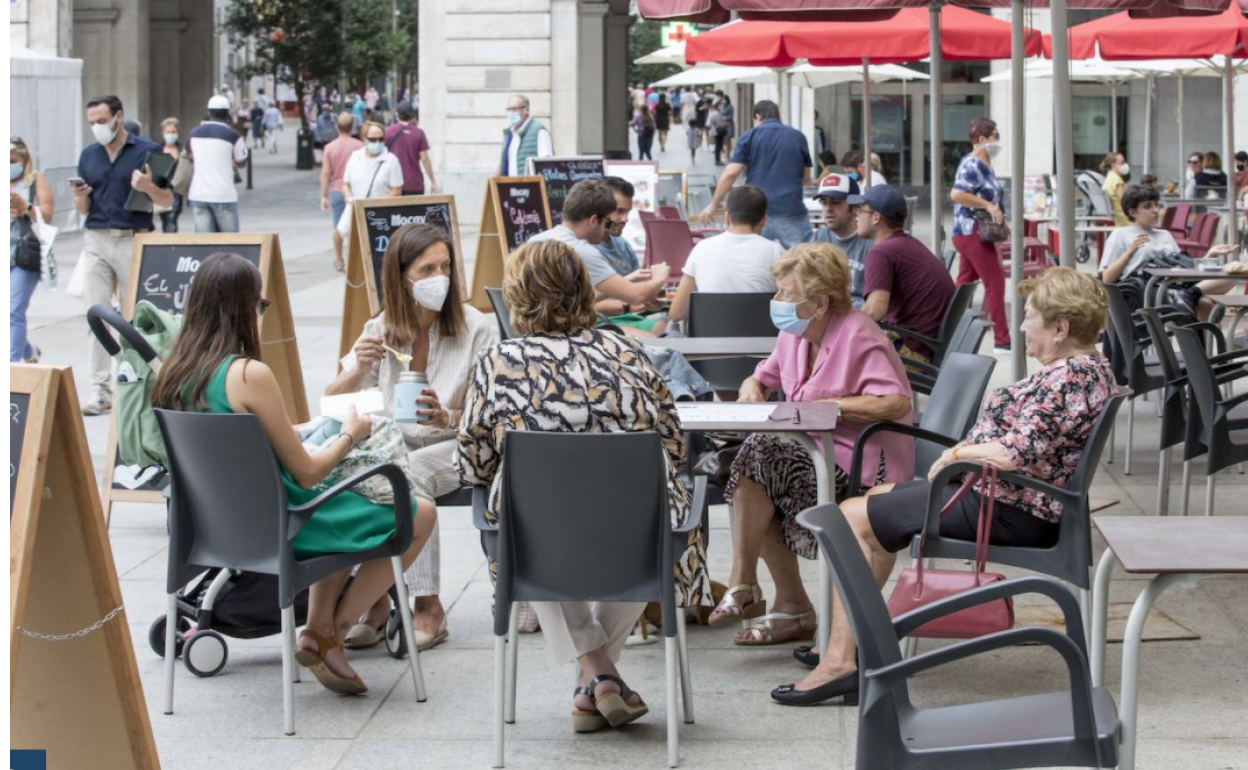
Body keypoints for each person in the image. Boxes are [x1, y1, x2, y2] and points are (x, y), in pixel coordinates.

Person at [776, 268, 1116, 706]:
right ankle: (851, 646)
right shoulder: (1087, 369)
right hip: (1009, 498)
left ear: (1060, 328)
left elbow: (1016, 452)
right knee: (872, 505)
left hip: (1009, 507)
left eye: (1030, 316)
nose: (1022, 326)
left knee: (849, 520)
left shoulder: (1070, 377)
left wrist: (954, 457)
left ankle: (842, 661)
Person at [151, 253, 437, 695]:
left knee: (343, 503)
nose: (261, 314)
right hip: (282, 526)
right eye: (260, 305)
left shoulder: (173, 375)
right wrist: (351, 435)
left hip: (212, 530)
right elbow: (305, 474)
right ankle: (332, 634)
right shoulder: (248, 374)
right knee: (417, 513)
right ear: (242, 307)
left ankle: (318, 629)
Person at [457, 238, 711, 733]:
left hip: (541, 544)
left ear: (517, 296)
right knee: (655, 509)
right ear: (583, 293)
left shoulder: (498, 363)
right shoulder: (631, 351)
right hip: (640, 540)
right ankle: (602, 677)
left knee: (523, 515)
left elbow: (472, 463)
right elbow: (676, 445)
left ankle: (594, 675)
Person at [709, 242, 915, 646]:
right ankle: (785, 605)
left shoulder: (857, 332)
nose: (779, 301)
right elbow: (762, 376)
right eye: (779, 292)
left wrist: (833, 405)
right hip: (812, 456)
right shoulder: (795, 333)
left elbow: (894, 402)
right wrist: (751, 389)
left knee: (757, 461)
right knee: (752, 468)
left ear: (820, 303)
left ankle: (753, 588)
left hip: (860, 463)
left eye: (788, 294)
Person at [328, 224, 493, 652]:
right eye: (426, 269)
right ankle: (378, 604)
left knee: (410, 473)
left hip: (459, 443)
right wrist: (354, 369)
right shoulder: (380, 328)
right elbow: (331, 400)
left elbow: (491, 416)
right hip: (396, 442)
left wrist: (446, 415)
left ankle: (426, 606)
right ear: (401, 277)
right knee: (351, 470)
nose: (440, 276)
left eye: (446, 266)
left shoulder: (477, 328)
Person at [74, 95, 172, 416]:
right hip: (97, 237)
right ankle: (99, 389)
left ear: (119, 117)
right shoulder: (88, 155)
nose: (96, 128)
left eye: (101, 121)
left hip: (133, 238)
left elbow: (167, 200)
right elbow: (83, 209)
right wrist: (79, 198)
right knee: (96, 315)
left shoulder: (147, 151)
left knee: (136, 318)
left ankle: (142, 384)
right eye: (91, 122)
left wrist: (146, 186)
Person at [530, 180, 670, 332]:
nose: (606, 229)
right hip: (570, 337)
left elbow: (571, 302)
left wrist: (623, 281)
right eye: (606, 223)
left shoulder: (534, 242)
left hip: (535, 334)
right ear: (594, 220)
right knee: (664, 346)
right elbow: (637, 295)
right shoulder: (581, 250)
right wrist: (660, 277)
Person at [1098, 184, 1240, 320]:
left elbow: (1181, 267)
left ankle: (1189, 296)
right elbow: (1107, 279)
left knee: (1235, 270)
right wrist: (1129, 253)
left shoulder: (1165, 234)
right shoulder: (1120, 235)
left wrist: (1210, 254)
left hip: (1177, 284)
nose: (1155, 210)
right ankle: (1188, 298)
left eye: (1156, 205)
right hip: (1146, 292)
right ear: (1132, 212)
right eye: (1148, 206)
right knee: (1205, 303)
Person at [860, 185, 958, 368]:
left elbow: (874, 311)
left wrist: (839, 325)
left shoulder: (882, 252)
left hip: (914, 351)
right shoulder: (907, 243)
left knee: (839, 361)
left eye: (861, 210)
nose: (856, 215)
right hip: (931, 345)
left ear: (875, 217)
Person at [700, 101, 814, 249]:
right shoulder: (798, 137)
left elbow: (731, 173)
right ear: (779, 116)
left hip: (756, 213)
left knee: (752, 260)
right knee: (802, 261)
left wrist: (713, 204)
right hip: (790, 209)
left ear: (758, 117)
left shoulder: (749, 136)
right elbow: (806, 177)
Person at [668, 185, 784, 326]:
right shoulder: (776, 252)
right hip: (763, 344)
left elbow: (676, 313)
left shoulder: (701, 249)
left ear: (727, 218)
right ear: (764, 220)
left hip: (708, 344)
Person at [950, 117, 1012, 353]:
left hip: (971, 232)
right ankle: (1002, 340)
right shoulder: (973, 163)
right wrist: (988, 206)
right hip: (972, 231)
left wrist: (1000, 215)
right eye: (995, 135)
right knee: (994, 283)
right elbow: (957, 194)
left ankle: (950, 328)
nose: (998, 140)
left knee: (964, 283)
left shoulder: (982, 164)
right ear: (982, 139)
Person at [10, 137, 53, 364]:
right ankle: (28, 351)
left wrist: (24, 207)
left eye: (13, 160)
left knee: (13, 311)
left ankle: (13, 366)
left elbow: (47, 214)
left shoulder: (35, 181)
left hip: (24, 256)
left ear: (24, 160)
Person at [807, 174, 872, 309]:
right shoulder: (819, 238)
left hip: (860, 317)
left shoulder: (871, 242)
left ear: (854, 206)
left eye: (836, 201)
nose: (828, 208)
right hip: (826, 313)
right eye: (824, 202)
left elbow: (877, 303)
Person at [187, 95, 249, 234]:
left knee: (204, 243)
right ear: (227, 113)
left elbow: (188, 155)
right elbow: (241, 161)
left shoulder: (194, 133)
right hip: (223, 194)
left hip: (198, 193)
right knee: (230, 242)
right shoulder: (233, 135)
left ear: (209, 112)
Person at [321, 113, 364, 273]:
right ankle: (353, 259)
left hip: (336, 190)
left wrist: (323, 196)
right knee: (355, 228)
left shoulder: (330, 147)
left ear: (336, 127)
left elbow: (326, 172)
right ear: (352, 126)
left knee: (338, 227)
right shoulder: (360, 145)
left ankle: (339, 259)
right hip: (355, 190)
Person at [342, 121, 404, 206]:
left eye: (381, 139)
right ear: (364, 138)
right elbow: (346, 184)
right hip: (356, 210)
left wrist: (372, 203)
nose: (377, 142)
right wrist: (348, 195)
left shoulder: (391, 160)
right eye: (373, 140)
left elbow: (396, 192)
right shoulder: (355, 157)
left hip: (380, 212)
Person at [385, 101, 438, 196]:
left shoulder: (388, 131)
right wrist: (432, 181)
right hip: (414, 183)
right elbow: (425, 159)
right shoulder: (419, 132)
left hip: (393, 184)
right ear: (413, 115)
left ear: (397, 114)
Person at [596, 177, 643, 278]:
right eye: (619, 211)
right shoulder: (582, 249)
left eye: (627, 212)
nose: (625, 219)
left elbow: (638, 285)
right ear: (599, 208)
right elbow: (588, 293)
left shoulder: (624, 246)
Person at [501, 95, 554, 177]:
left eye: (514, 109)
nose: (511, 113)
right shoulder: (510, 134)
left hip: (531, 186)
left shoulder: (539, 131)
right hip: (511, 185)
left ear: (526, 110)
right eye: (509, 109)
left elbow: (546, 164)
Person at [157, 119, 184, 233]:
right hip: (161, 189)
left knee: (172, 218)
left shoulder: (182, 150)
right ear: (163, 133)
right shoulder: (157, 149)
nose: (171, 135)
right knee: (165, 219)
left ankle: (171, 243)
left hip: (176, 189)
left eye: (173, 132)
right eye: (168, 132)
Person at [1099, 152, 1130, 226]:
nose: (1125, 165)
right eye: (1122, 162)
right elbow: (1125, 201)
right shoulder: (1117, 180)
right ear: (1113, 165)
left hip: (1116, 216)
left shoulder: (1110, 177)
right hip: (1123, 218)